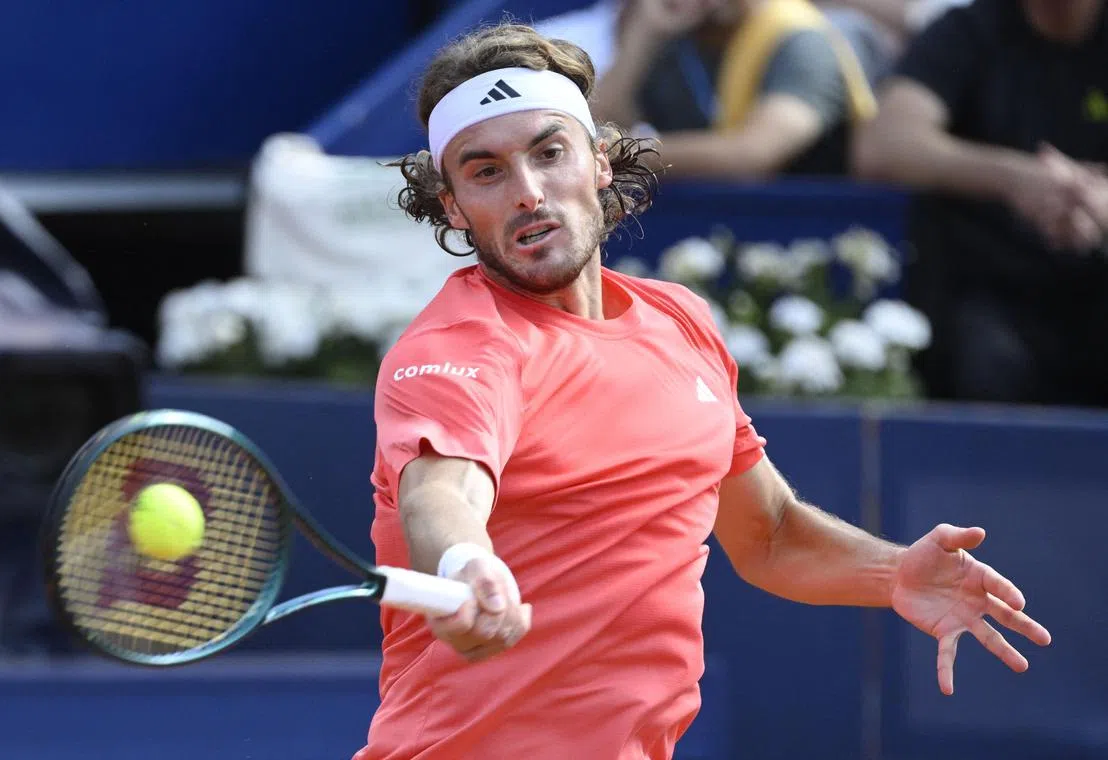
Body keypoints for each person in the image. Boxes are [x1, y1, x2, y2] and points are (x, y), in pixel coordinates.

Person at [354, 23, 1051, 760]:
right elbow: (442, 494)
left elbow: (771, 534)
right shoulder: (458, 347)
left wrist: (892, 571)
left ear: (598, 161)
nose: (528, 192)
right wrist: (466, 563)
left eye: (548, 152)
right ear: (454, 205)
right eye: (485, 171)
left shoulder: (677, 320)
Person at [853, 0, 1108, 406]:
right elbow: (885, 144)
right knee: (982, 358)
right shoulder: (968, 31)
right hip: (993, 301)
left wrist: (1096, 202)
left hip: (1096, 290)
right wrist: (1017, 180)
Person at [591, 0, 878, 178]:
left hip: (803, 237)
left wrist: (610, 155)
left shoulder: (800, 40)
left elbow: (751, 154)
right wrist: (644, 34)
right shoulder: (675, 38)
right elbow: (599, 123)